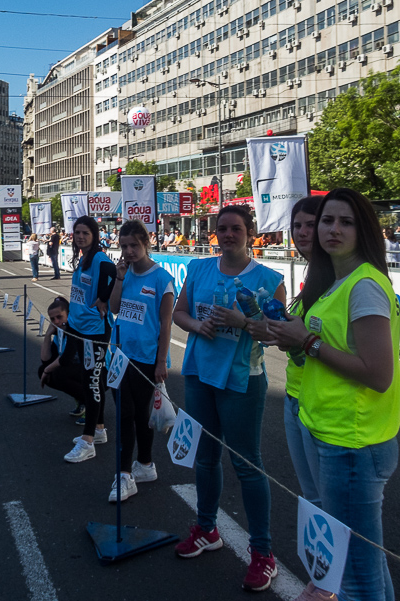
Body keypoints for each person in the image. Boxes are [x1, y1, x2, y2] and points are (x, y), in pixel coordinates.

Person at [264, 188, 400, 601]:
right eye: (328, 221)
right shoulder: (335, 282)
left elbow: (378, 375)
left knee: (357, 578)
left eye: (346, 222)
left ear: (365, 231)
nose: (333, 230)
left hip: (353, 443)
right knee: (364, 563)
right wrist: (295, 338)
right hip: (332, 432)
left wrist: (307, 342)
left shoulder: (364, 286)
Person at [171, 204, 283, 593]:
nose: (228, 234)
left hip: (242, 381)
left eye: (236, 228)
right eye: (222, 229)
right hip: (200, 374)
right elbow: (180, 313)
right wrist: (197, 326)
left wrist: (244, 323)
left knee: (248, 465)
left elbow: (277, 335)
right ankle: (206, 528)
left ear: (251, 232)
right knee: (205, 458)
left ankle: (263, 553)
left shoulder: (269, 278)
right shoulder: (200, 268)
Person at [107, 219, 174, 503]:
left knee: (140, 414)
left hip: (147, 358)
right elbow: (113, 309)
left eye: (134, 245)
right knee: (125, 414)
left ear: (146, 243)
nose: (129, 251)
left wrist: (161, 362)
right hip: (120, 355)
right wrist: (120, 278)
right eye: (124, 246)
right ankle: (126, 473)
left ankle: (144, 465)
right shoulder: (123, 273)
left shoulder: (161, 278)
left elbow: (166, 323)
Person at [63, 215, 117, 463]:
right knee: (89, 380)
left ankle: (87, 442)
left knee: (92, 383)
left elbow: (112, 271)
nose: (81, 237)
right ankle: (99, 429)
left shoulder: (98, 258)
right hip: (79, 326)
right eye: (77, 233)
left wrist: (104, 298)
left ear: (94, 235)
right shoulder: (84, 257)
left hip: (94, 330)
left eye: (85, 233)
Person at [282, 197, 324, 511]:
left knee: (327, 503)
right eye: (297, 225)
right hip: (294, 396)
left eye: (311, 224)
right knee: (313, 498)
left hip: (322, 404)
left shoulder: (342, 279)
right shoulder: (312, 275)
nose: (303, 232)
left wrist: (305, 341)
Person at [39, 296, 88, 414]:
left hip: (98, 370)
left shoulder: (75, 329)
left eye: (59, 317)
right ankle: (81, 399)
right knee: (43, 371)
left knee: (58, 374)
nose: (56, 321)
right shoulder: (59, 333)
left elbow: (66, 358)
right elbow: (46, 361)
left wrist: (47, 370)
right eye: (52, 319)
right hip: (79, 369)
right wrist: (47, 336)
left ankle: (90, 404)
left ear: (68, 314)